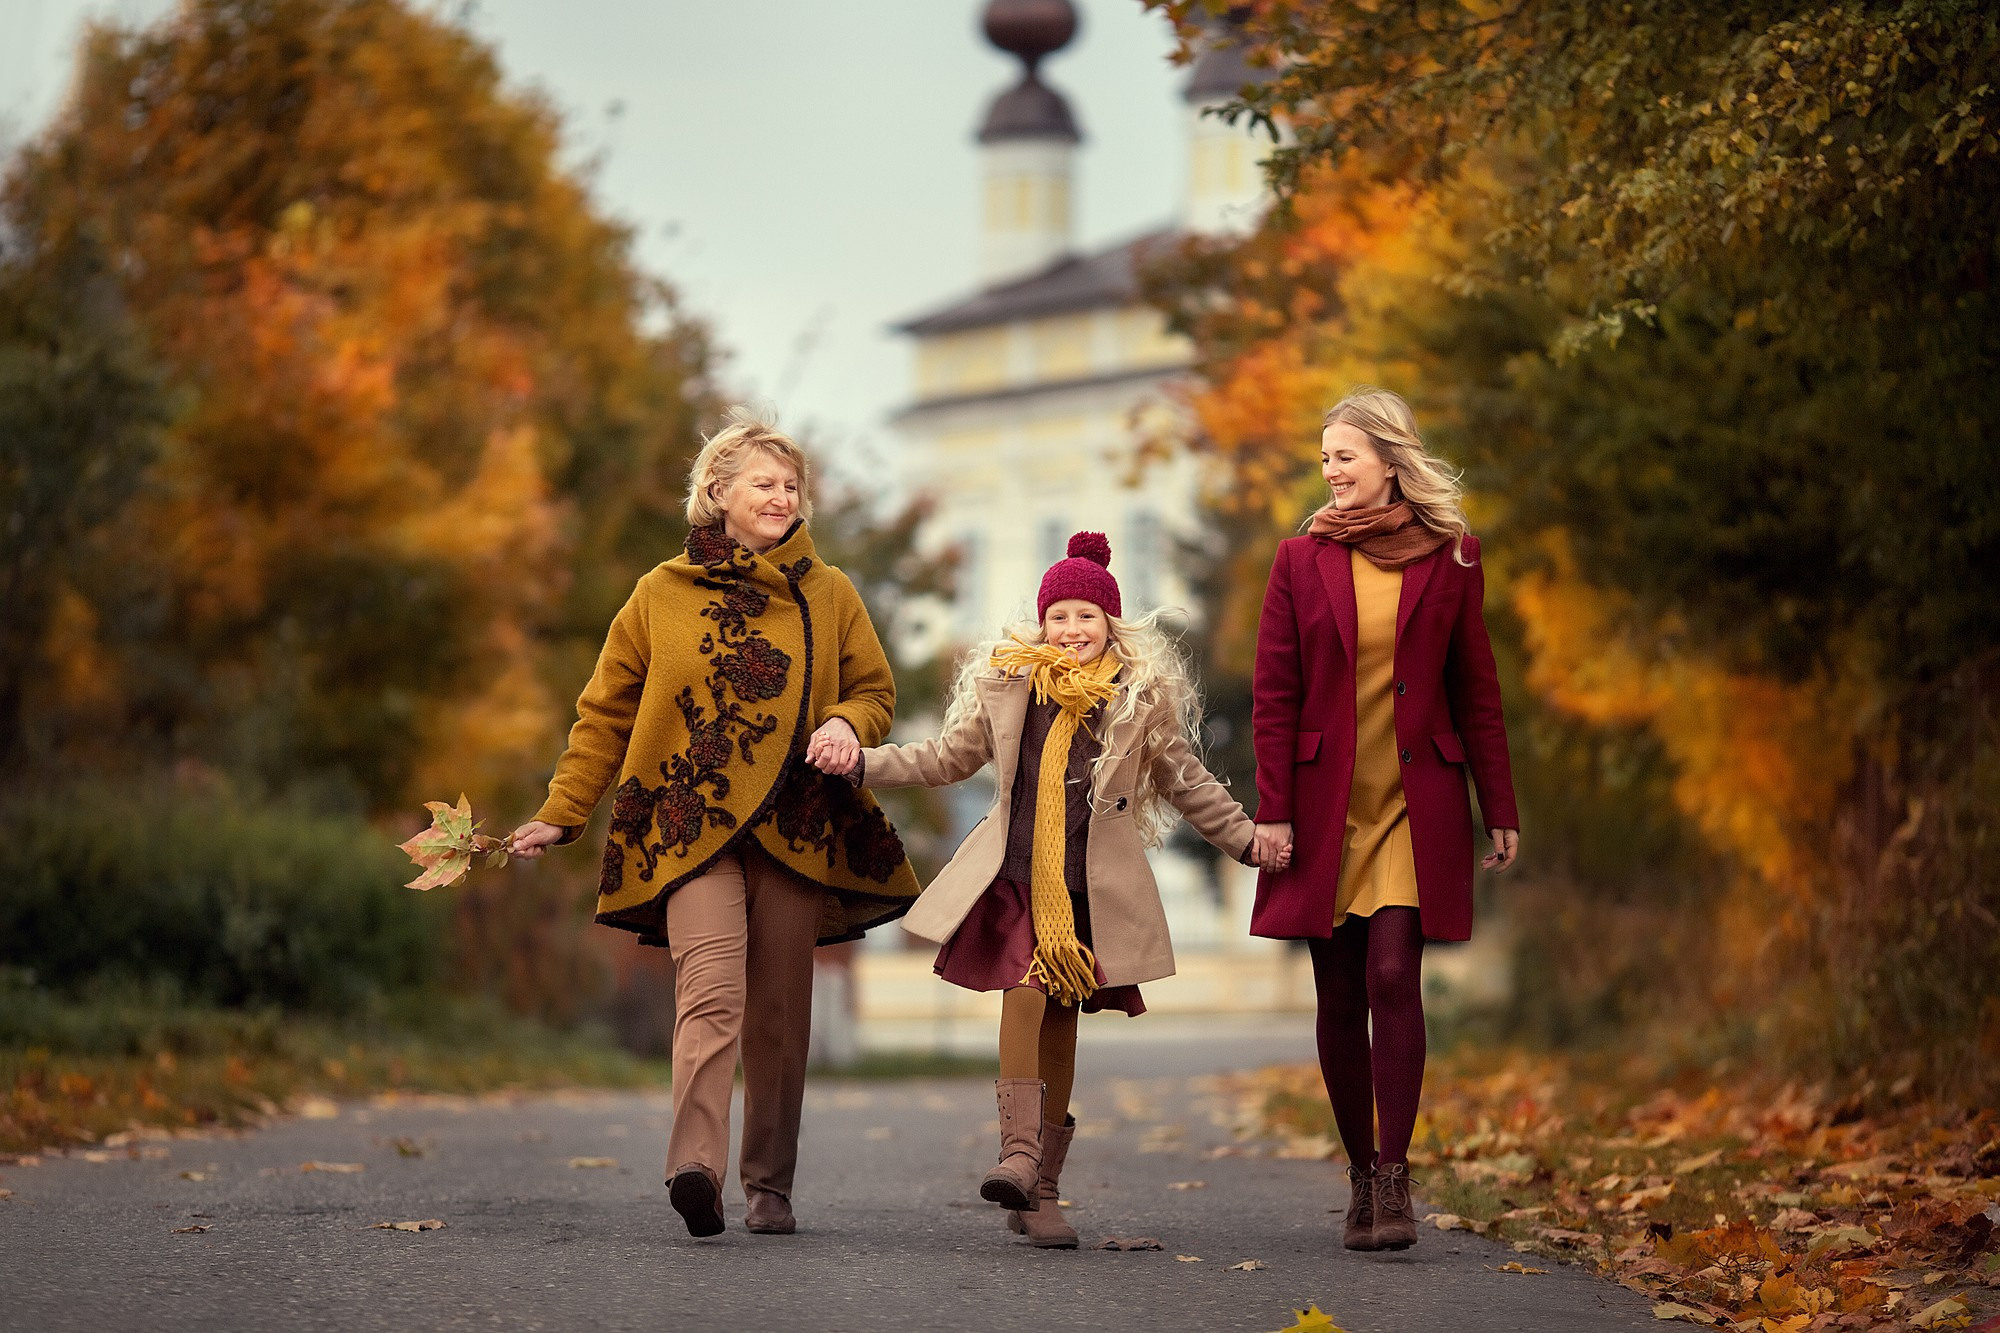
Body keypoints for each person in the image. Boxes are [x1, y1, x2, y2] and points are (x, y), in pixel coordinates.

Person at [508, 409, 921, 1239]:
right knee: (711, 994)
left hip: (796, 821)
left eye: (791, 485)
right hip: (687, 819)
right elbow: (604, 713)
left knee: (779, 1013)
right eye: (763, 483)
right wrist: (562, 810)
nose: (781, 495)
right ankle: (694, 1166)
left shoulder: (831, 591)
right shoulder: (658, 594)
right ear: (718, 494)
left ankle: (769, 1184)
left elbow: (874, 692)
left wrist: (845, 722)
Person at [813, 532, 1287, 1248]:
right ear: (1043, 622)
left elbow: (1189, 782)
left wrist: (1248, 839)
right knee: (1028, 990)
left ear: (1109, 627)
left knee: (1062, 1021)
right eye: (1059, 616)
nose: (1071, 630)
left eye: (1086, 618)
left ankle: (1040, 1194)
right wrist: (862, 764)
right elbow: (944, 757)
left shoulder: (1136, 703)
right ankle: (1019, 1155)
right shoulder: (1011, 689)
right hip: (1015, 880)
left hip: (1087, 892)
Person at [1249, 388, 1519, 1253]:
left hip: (1415, 801)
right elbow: (1275, 696)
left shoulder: (1454, 557)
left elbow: (1476, 688)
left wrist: (1498, 804)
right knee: (1338, 989)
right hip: (1327, 804)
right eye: (1325, 456)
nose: (1330, 470)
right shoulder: (1299, 560)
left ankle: (1396, 1177)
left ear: (1390, 460)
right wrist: (1275, 811)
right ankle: (1358, 1171)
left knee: (1394, 973)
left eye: (1345, 455)